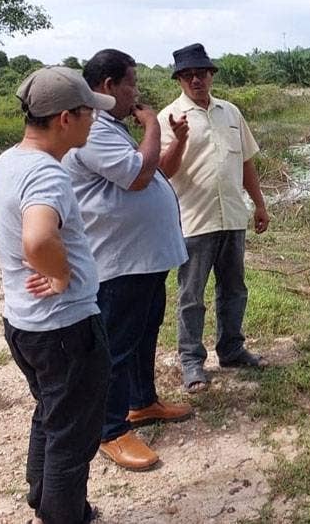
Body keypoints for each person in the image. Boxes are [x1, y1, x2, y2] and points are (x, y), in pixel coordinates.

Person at [0, 66, 115, 524]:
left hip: (25, 323)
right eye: (88, 114)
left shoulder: (9, 161)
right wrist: (61, 277)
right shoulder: (47, 174)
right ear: (66, 118)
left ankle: (44, 497)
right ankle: (64, 514)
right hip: (65, 328)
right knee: (73, 435)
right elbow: (38, 239)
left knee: (51, 412)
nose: (94, 122)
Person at [63, 49, 191, 471]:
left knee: (142, 333)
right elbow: (138, 176)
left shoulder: (113, 129)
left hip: (143, 259)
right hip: (119, 262)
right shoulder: (96, 130)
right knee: (117, 345)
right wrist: (153, 124)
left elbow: (152, 170)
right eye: (131, 82)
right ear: (107, 86)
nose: (136, 91)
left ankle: (142, 402)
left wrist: (169, 140)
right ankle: (111, 429)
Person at [157, 43, 270, 393]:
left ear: (210, 75)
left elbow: (246, 162)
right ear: (178, 79)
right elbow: (164, 170)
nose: (196, 80)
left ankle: (232, 349)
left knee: (234, 289)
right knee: (191, 295)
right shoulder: (169, 118)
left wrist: (260, 205)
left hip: (233, 216)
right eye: (188, 75)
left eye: (201, 73)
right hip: (194, 220)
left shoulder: (230, 113)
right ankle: (192, 362)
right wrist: (177, 140)